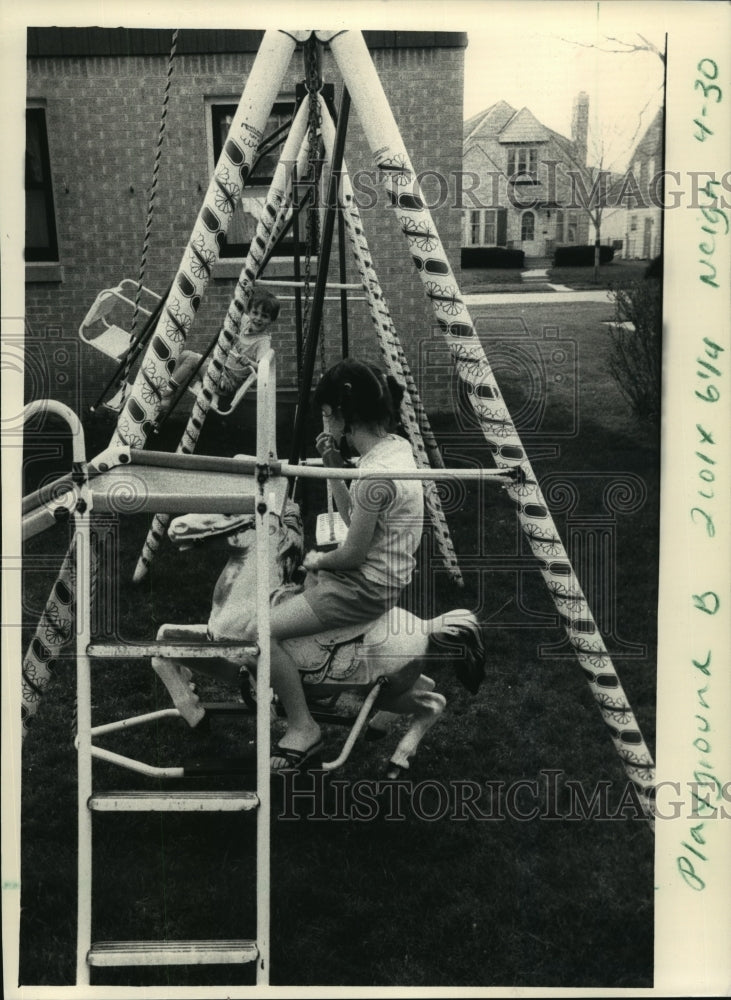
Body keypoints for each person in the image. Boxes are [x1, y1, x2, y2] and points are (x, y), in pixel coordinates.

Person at [267, 358, 424, 770]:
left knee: (261, 633)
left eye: (325, 414)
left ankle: (303, 728)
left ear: (341, 415)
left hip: (362, 587)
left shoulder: (375, 476)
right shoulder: (395, 450)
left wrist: (318, 559)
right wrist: (336, 471)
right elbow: (355, 523)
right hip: (383, 577)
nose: (324, 423)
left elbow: (351, 552)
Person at [158, 286, 280, 416]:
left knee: (192, 360)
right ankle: (170, 393)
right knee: (185, 354)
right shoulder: (246, 323)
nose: (258, 318)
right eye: (255, 313)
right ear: (249, 312)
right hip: (221, 369)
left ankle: (166, 394)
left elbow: (263, 367)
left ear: (272, 320)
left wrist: (249, 362)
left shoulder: (263, 341)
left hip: (226, 383)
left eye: (265, 316)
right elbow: (237, 308)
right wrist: (245, 292)